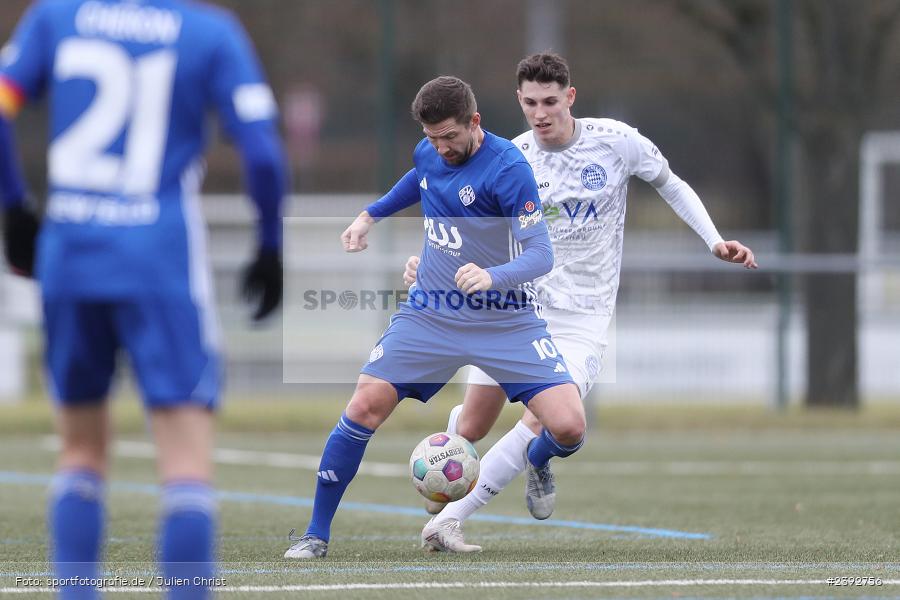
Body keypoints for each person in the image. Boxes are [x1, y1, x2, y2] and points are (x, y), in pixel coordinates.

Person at [404, 53, 758, 551]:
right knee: (473, 425)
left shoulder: (616, 143)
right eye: (530, 103)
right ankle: (456, 453)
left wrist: (714, 240)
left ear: (570, 97)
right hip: (515, 307)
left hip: (581, 316)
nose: (540, 113)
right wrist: (431, 263)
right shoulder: (512, 157)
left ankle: (453, 518)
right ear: (519, 102)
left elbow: (670, 184)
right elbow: (473, 227)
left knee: (557, 421)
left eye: (550, 101)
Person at [0, 1, 286, 597]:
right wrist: (268, 244)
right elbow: (261, 151)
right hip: (159, 260)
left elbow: (2, 104)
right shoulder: (209, 32)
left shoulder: (56, 17)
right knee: (184, 460)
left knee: (79, 449)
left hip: (71, 253)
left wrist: (14, 206)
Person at [283, 75, 585, 559]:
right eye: (432, 138)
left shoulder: (508, 168)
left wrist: (493, 276)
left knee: (569, 427)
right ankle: (315, 535)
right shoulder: (430, 151)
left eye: (450, 136)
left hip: (504, 320)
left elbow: (542, 254)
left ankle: (538, 456)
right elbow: (418, 179)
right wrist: (369, 217)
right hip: (432, 314)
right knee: (364, 406)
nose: (441, 147)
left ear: (475, 122)